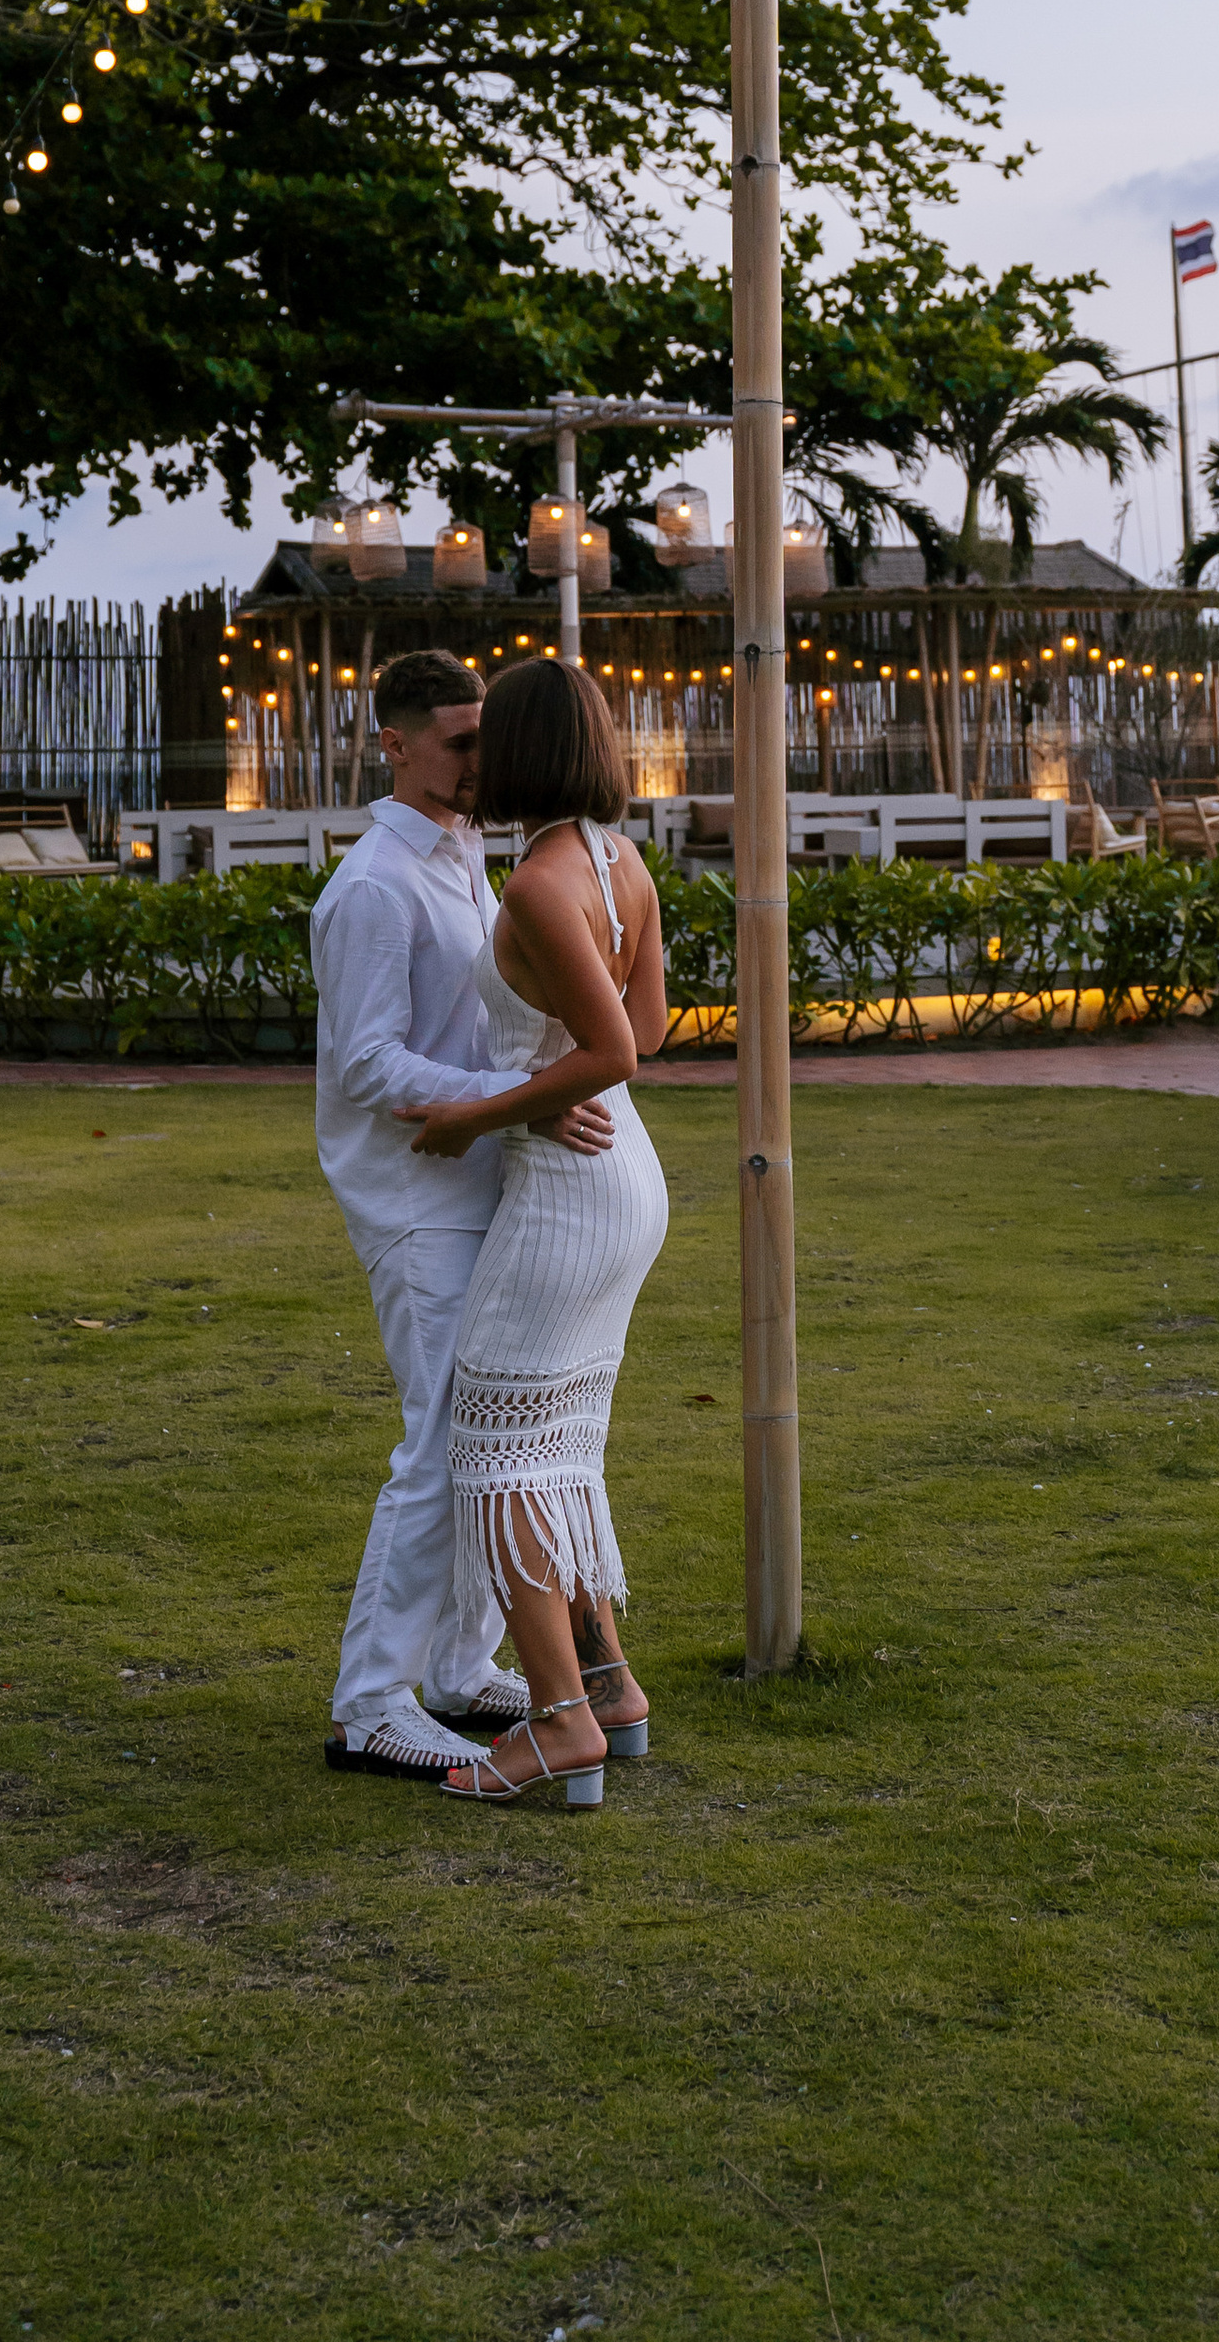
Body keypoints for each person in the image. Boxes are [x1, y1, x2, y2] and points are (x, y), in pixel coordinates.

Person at [313, 646, 617, 1787]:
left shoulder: (473, 858)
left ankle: (456, 1664)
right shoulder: (373, 886)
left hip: (488, 1182)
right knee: (443, 1441)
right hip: (413, 1198)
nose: (484, 759)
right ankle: (369, 1704)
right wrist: (515, 1100)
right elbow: (364, 1063)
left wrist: (519, 1100)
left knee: (494, 1437)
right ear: (394, 746)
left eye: (488, 736)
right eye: (460, 742)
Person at [402, 656, 671, 1811]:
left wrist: (472, 1115)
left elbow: (614, 1051)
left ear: (518, 751)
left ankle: (558, 1724)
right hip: (626, 1174)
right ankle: (608, 1689)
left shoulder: (537, 886)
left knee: (495, 1446)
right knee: (555, 1441)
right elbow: (649, 1024)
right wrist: (542, 1076)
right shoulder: (621, 864)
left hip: (569, 1187)